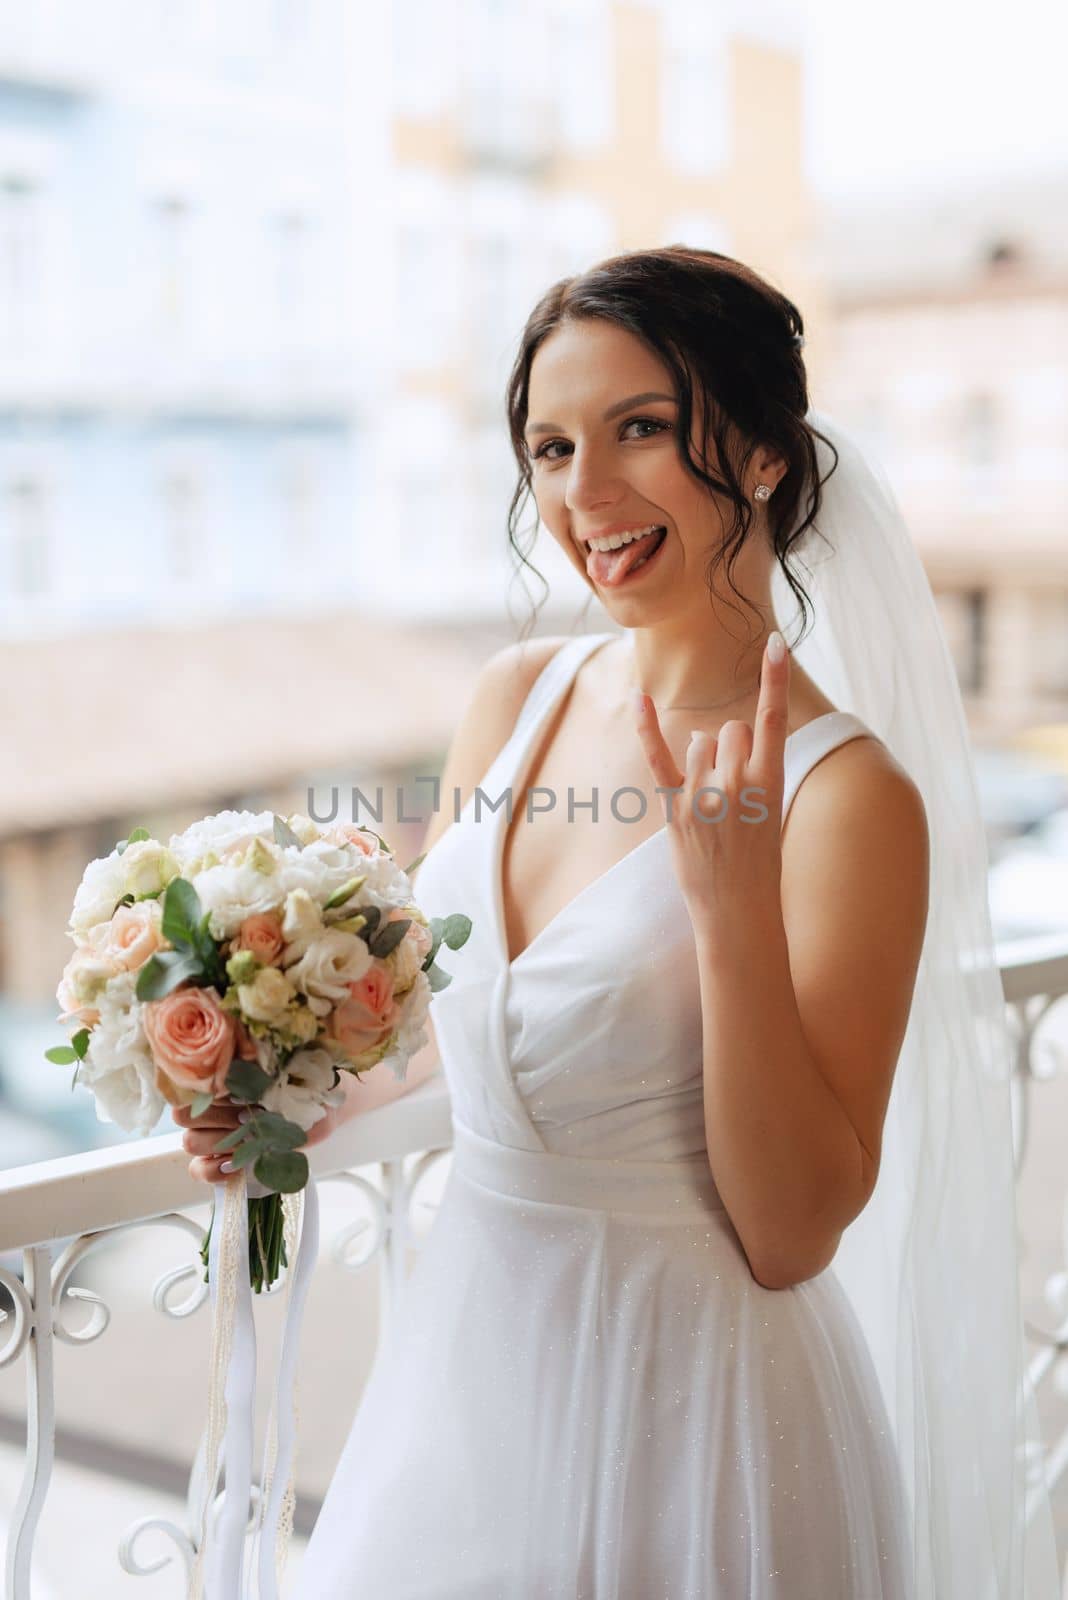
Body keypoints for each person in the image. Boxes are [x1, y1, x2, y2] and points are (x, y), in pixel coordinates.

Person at [177, 247, 1060, 1596]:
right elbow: (475, 1050)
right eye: (549, 445)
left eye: (639, 430)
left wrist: (728, 909)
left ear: (761, 452)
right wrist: (285, 1097)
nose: (583, 495)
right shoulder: (513, 696)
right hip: (473, 1384)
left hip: (703, 1412)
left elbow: (791, 1233)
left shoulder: (850, 797)